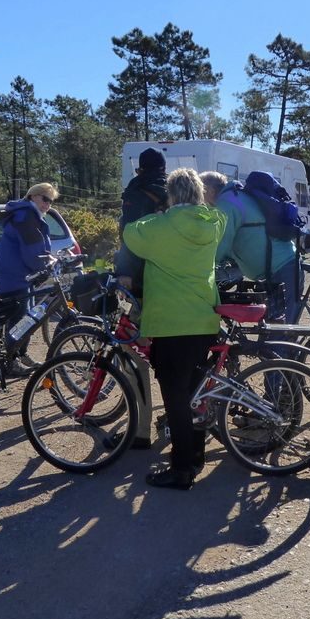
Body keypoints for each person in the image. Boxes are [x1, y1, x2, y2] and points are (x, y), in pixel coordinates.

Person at [122, 168, 226, 490]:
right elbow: (217, 217)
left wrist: (161, 213)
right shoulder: (214, 222)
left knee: (176, 400)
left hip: (171, 324)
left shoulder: (159, 227)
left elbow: (130, 233)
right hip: (205, 321)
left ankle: (181, 470)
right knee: (194, 396)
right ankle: (196, 455)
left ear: (172, 195)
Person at [199, 170, 303, 324]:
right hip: (279, 268)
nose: (201, 199)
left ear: (211, 190)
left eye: (202, 193)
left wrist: (200, 268)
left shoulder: (226, 203)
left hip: (282, 268)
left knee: (280, 332)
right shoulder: (236, 196)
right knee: (272, 328)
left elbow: (220, 243)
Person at [0, 182, 56, 374]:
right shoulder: (25, 215)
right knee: (19, 319)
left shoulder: (28, 214)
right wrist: (44, 266)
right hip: (14, 274)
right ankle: (10, 362)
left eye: (51, 201)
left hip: (21, 274)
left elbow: (37, 247)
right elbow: (32, 250)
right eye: (45, 199)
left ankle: (20, 354)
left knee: (26, 318)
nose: (48, 204)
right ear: (33, 196)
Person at [114, 147, 168, 294]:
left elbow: (125, 229)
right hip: (164, 265)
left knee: (137, 311)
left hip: (132, 265)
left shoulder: (133, 189)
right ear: (163, 168)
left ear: (140, 169)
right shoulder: (170, 189)